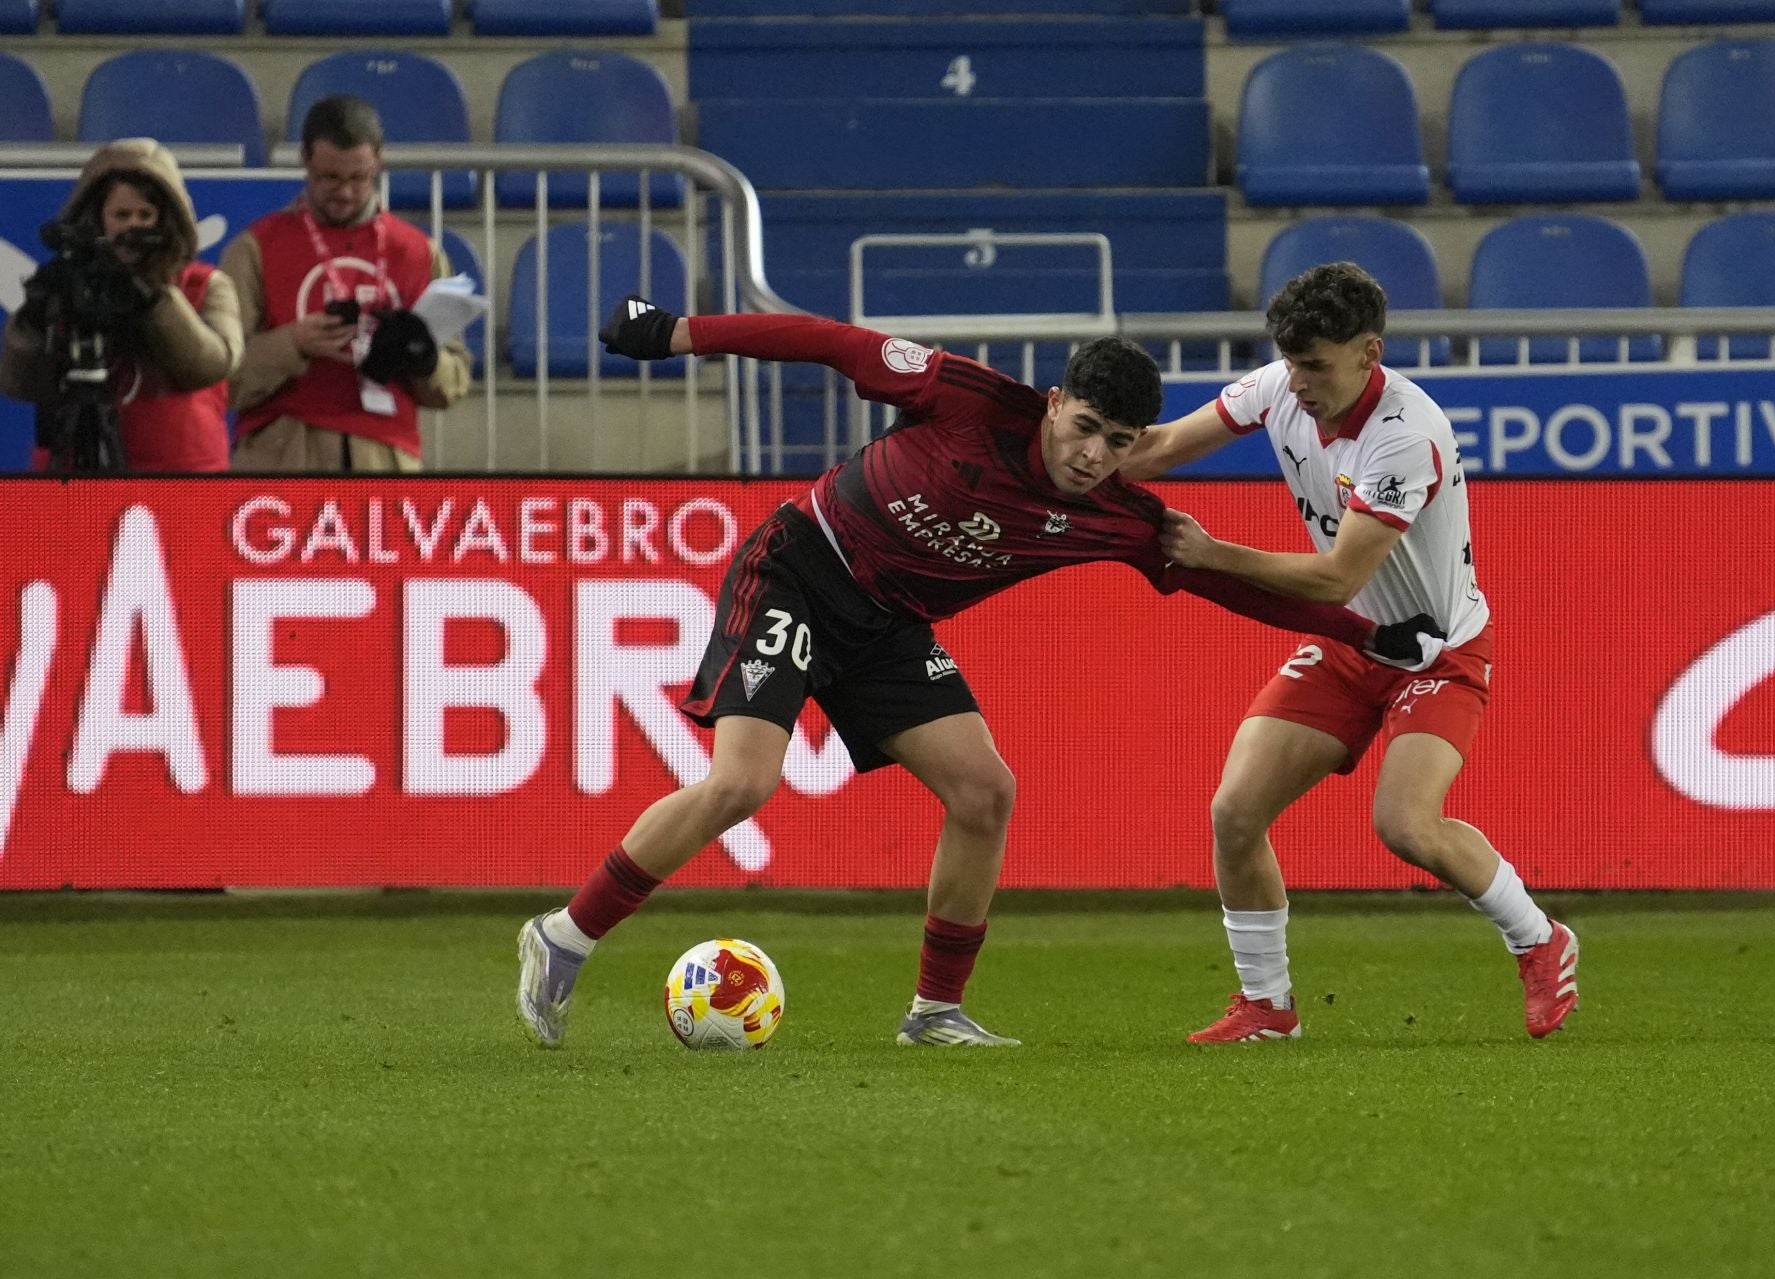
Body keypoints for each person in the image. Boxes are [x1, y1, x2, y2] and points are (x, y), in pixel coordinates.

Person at [514, 298, 1446, 1049]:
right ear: (1052, 401)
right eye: (1085, 428)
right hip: (801, 567)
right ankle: (564, 936)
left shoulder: (1119, 515)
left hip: (887, 625)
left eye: (1120, 442)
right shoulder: (963, 395)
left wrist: (1361, 631)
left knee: (985, 791)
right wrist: (682, 333)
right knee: (743, 781)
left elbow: (1220, 582)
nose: (1094, 456)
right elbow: (831, 342)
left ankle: (934, 1013)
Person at [1120, 262, 1578, 1043]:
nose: (1297, 383)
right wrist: (1070, 463)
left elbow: (1335, 578)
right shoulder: (1277, 385)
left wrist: (1208, 552)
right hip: (1351, 647)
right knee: (1234, 812)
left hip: (1435, 652)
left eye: (1316, 366)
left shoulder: (1404, 436)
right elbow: (1159, 448)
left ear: (1369, 352)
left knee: (1405, 824)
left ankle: (1540, 938)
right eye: (1291, 362)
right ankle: (1267, 1007)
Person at [220, 94, 470, 472]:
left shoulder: (419, 253)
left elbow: (454, 383)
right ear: (305, 160)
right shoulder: (255, 248)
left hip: (385, 456)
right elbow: (222, 381)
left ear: (379, 163)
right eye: (330, 178)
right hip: (284, 451)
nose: (346, 193)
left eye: (359, 178)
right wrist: (294, 343)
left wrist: (422, 357)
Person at [0, 137, 242, 472]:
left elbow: (213, 365)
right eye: (121, 215)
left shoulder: (204, 285)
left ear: (166, 220)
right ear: (97, 219)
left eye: (146, 215)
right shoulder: (68, 285)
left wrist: (151, 298)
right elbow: (19, 384)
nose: (133, 226)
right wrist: (34, 318)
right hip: (75, 473)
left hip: (181, 480)